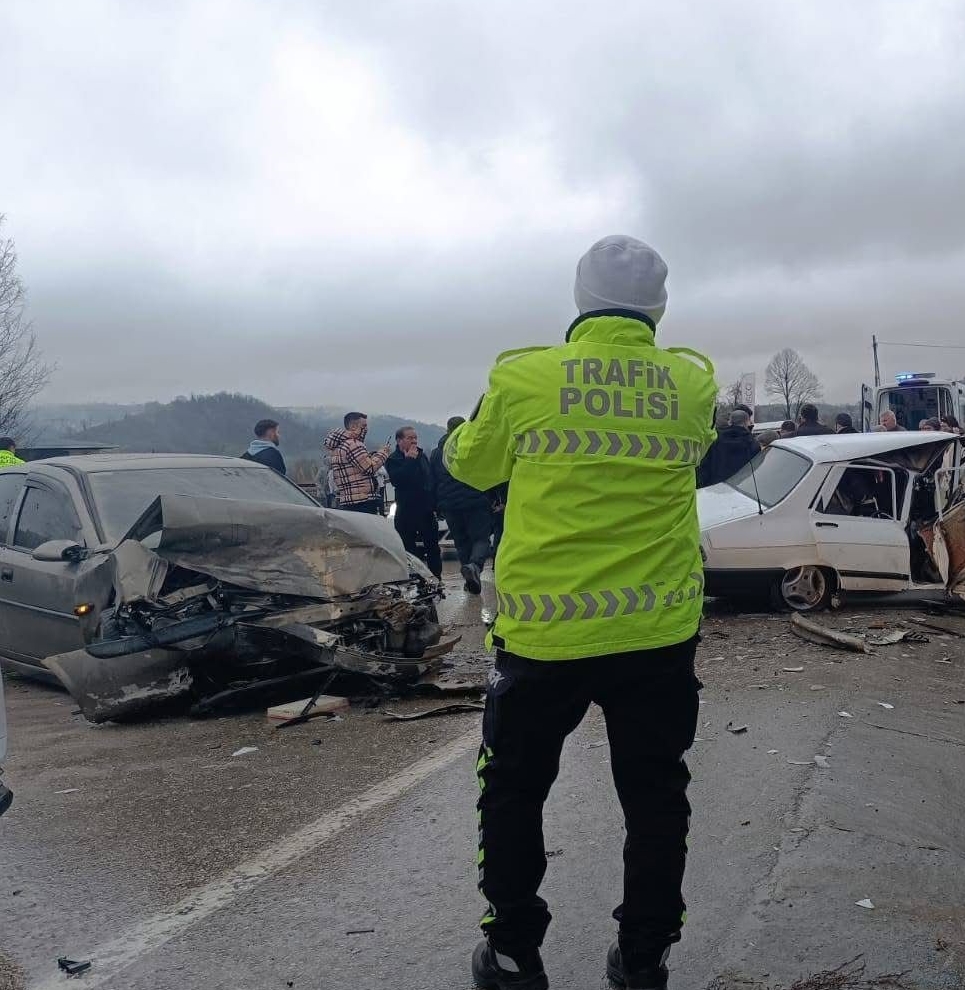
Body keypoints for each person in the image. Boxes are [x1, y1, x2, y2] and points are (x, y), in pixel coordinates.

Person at [444, 235, 717, 990]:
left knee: (513, 789)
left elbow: (470, 464)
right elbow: (694, 451)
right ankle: (644, 957)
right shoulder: (689, 384)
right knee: (655, 795)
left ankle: (510, 953)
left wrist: (466, 428)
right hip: (655, 632)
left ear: (578, 300)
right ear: (657, 308)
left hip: (543, 637)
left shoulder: (524, 376)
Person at [431, 416, 492, 593]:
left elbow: (432, 481)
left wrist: (437, 504)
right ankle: (474, 566)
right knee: (481, 539)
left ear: (447, 430)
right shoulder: (475, 447)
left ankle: (470, 579)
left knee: (461, 542)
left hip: (449, 505)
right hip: (476, 500)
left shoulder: (437, 453)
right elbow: (489, 472)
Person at [386, 426, 442, 578]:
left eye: (415, 438)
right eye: (410, 438)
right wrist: (409, 460)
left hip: (425, 510)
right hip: (406, 511)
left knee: (433, 547)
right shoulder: (393, 459)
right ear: (399, 441)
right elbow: (398, 480)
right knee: (409, 549)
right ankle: (417, 580)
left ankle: (436, 579)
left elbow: (430, 479)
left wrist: (435, 503)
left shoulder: (422, 455)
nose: (414, 441)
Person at [323, 412, 391, 513]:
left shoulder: (339, 446)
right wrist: (383, 453)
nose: (366, 429)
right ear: (353, 426)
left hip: (347, 499)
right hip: (362, 500)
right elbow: (369, 468)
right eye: (364, 426)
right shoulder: (354, 444)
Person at [697, 409, 760, 488]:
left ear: (730, 422)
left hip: (714, 487)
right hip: (741, 489)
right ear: (747, 422)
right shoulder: (753, 444)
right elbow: (755, 471)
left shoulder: (715, 440)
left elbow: (705, 464)